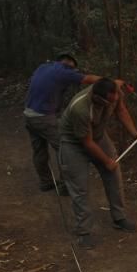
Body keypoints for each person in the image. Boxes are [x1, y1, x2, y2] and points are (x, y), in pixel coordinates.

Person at [58, 77, 137, 249]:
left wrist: (134, 132)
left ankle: (119, 218)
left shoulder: (115, 92)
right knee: (80, 187)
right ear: (97, 98)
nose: (113, 102)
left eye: (115, 98)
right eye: (109, 101)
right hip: (74, 143)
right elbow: (87, 143)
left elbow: (121, 111)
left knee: (114, 176)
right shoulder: (80, 109)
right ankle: (83, 232)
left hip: (98, 136)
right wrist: (106, 161)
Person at [24, 53, 101, 194]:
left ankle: (46, 182)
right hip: (43, 117)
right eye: (72, 68)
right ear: (69, 64)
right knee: (65, 147)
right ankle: (66, 186)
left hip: (29, 114)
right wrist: (111, 82)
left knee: (39, 150)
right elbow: (90, 79)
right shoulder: (63, 72)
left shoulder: (43, 67)